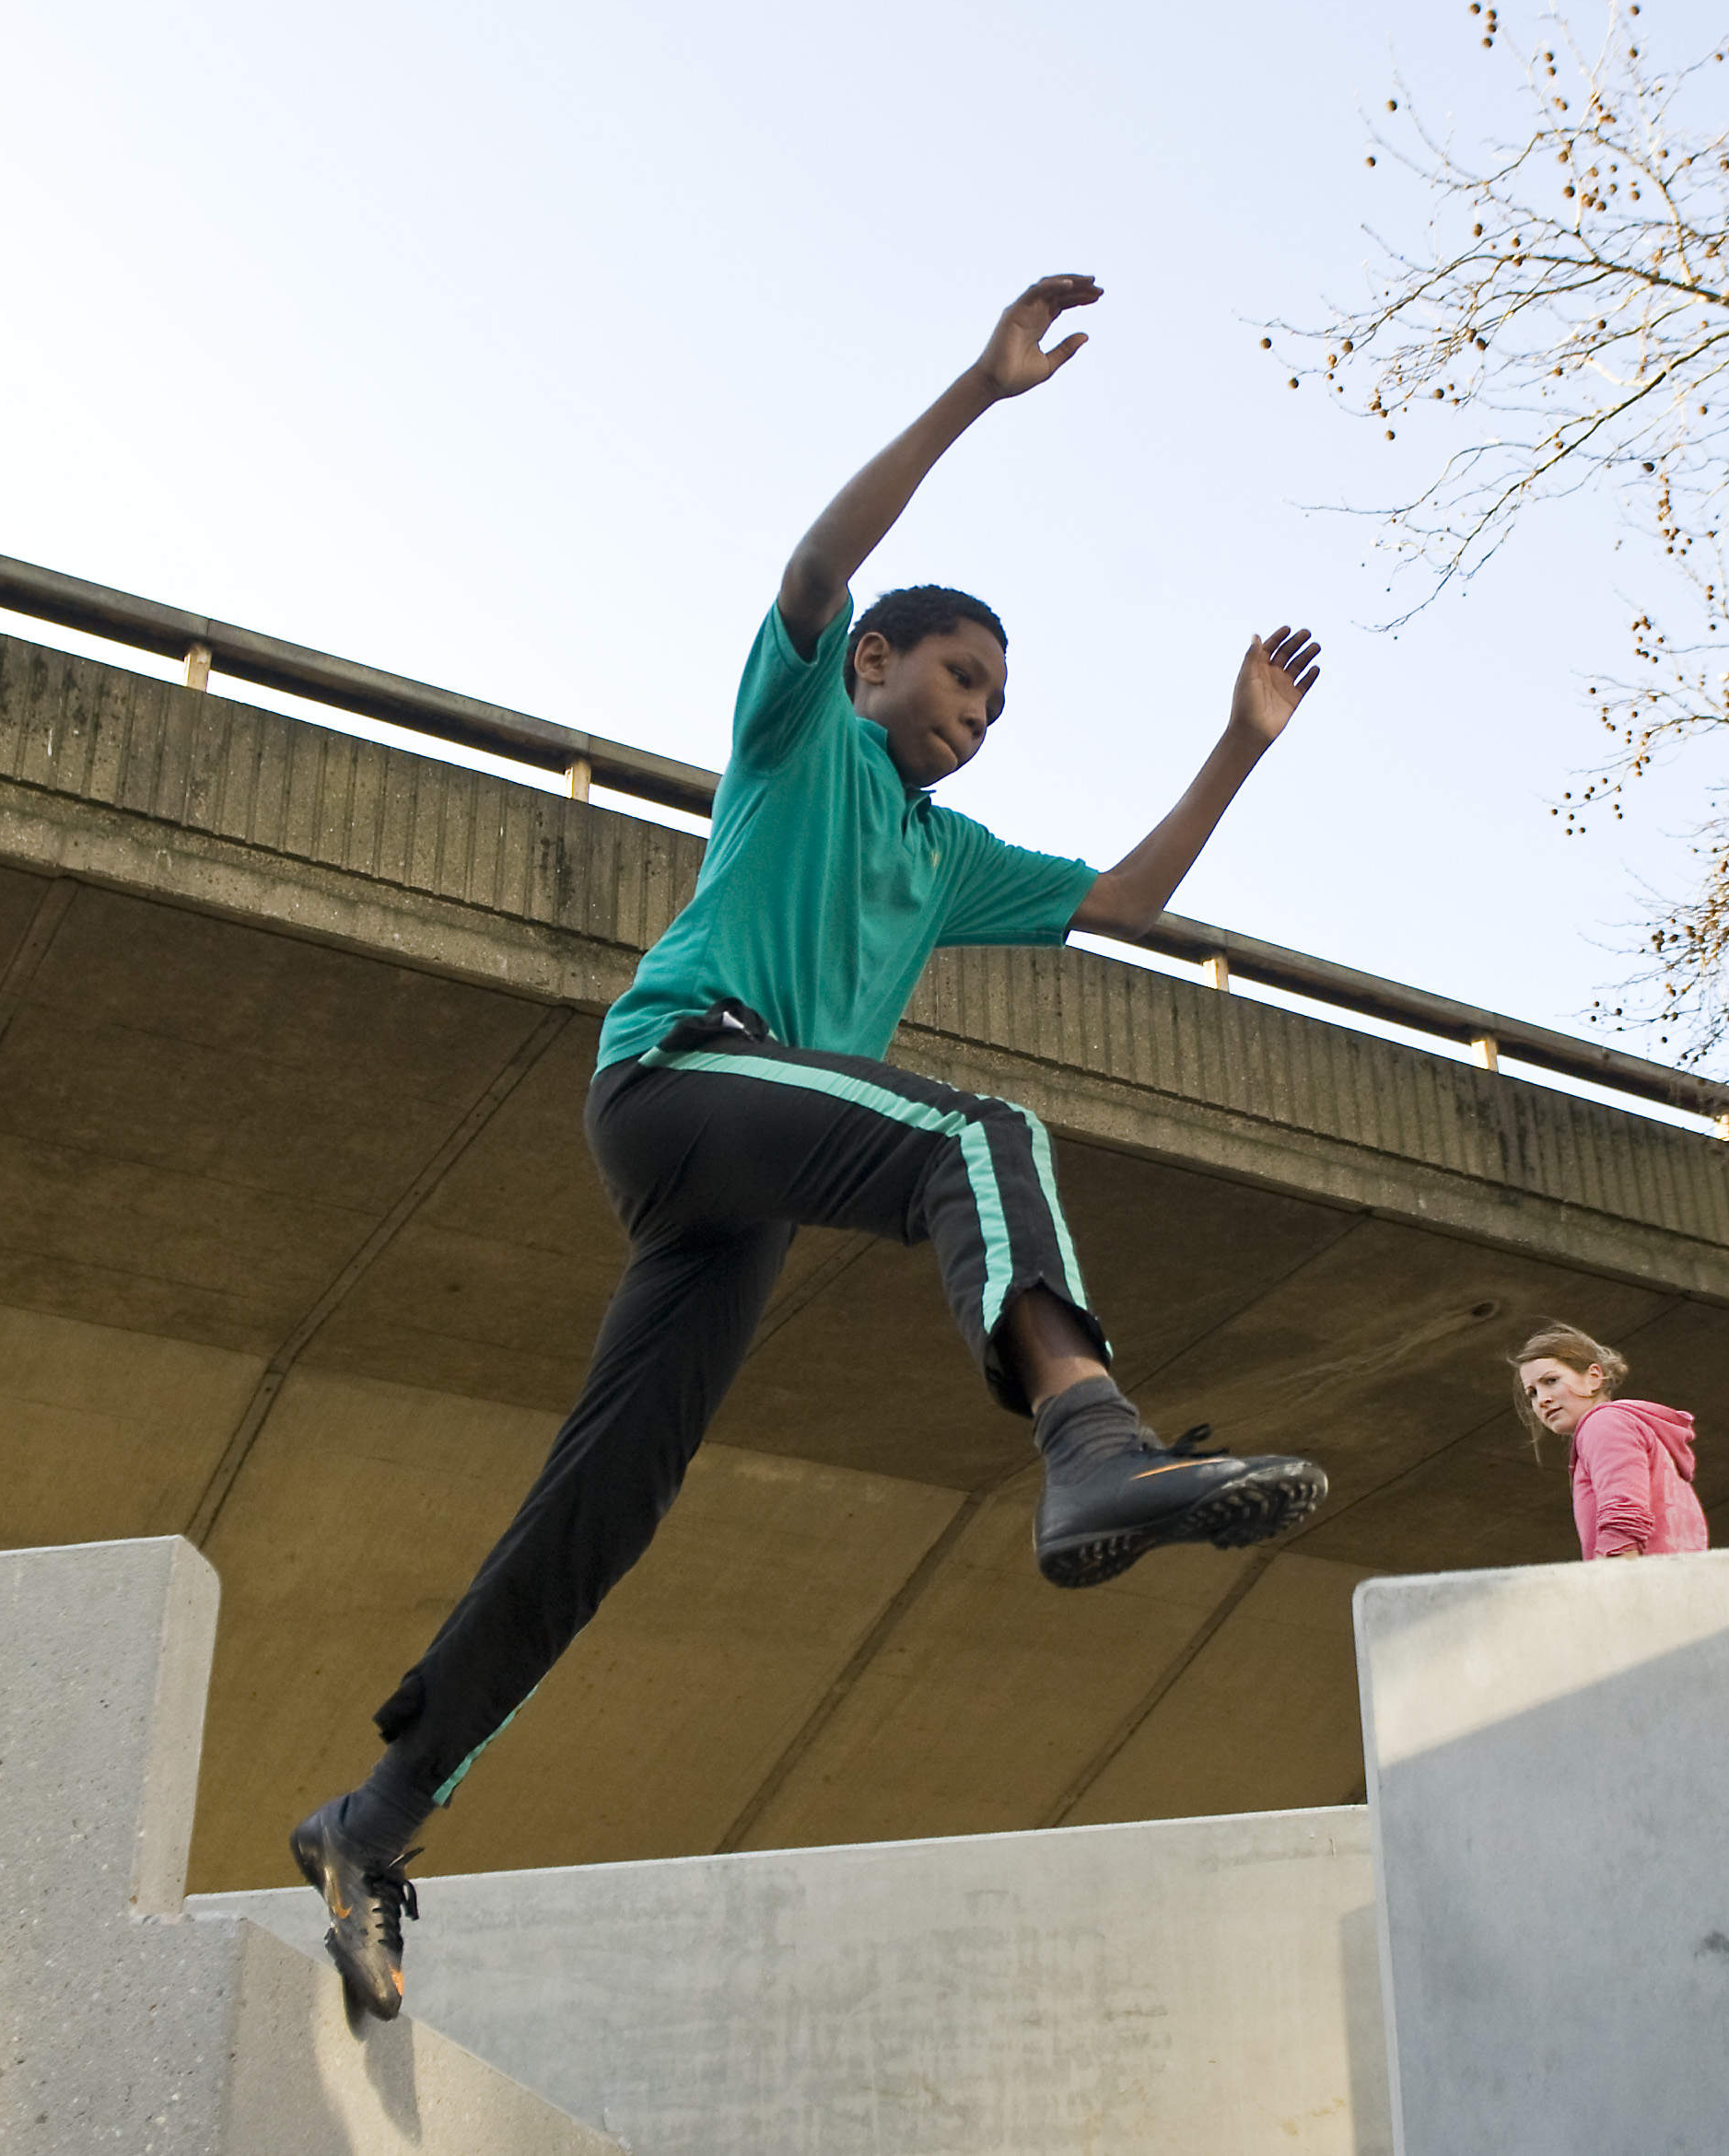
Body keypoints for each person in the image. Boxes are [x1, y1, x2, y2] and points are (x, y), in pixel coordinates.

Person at [287, 273, 1333, 2016]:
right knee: (976, 1133)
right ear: (875, 666)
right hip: (685, 1072)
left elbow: (1130, 896)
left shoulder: (947, 854)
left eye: (998, 705)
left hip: (743, 1188)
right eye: (958, 679)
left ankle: (376, 1819)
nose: (975, 714)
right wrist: (972, 397)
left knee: (607, 1506)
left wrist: (1236, 747)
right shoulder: (798, 737)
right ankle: (1090, 1437)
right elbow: (813, 564)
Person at [1513, 1323, 1709, 1560]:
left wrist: (1611, 1586)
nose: (1542, 1400)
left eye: (1551, 1380)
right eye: (1532, 1393)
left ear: (1594, 1377)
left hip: (1641, 1587)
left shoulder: (1604, 1423)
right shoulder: (1625, 1425)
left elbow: (1623, 1517)